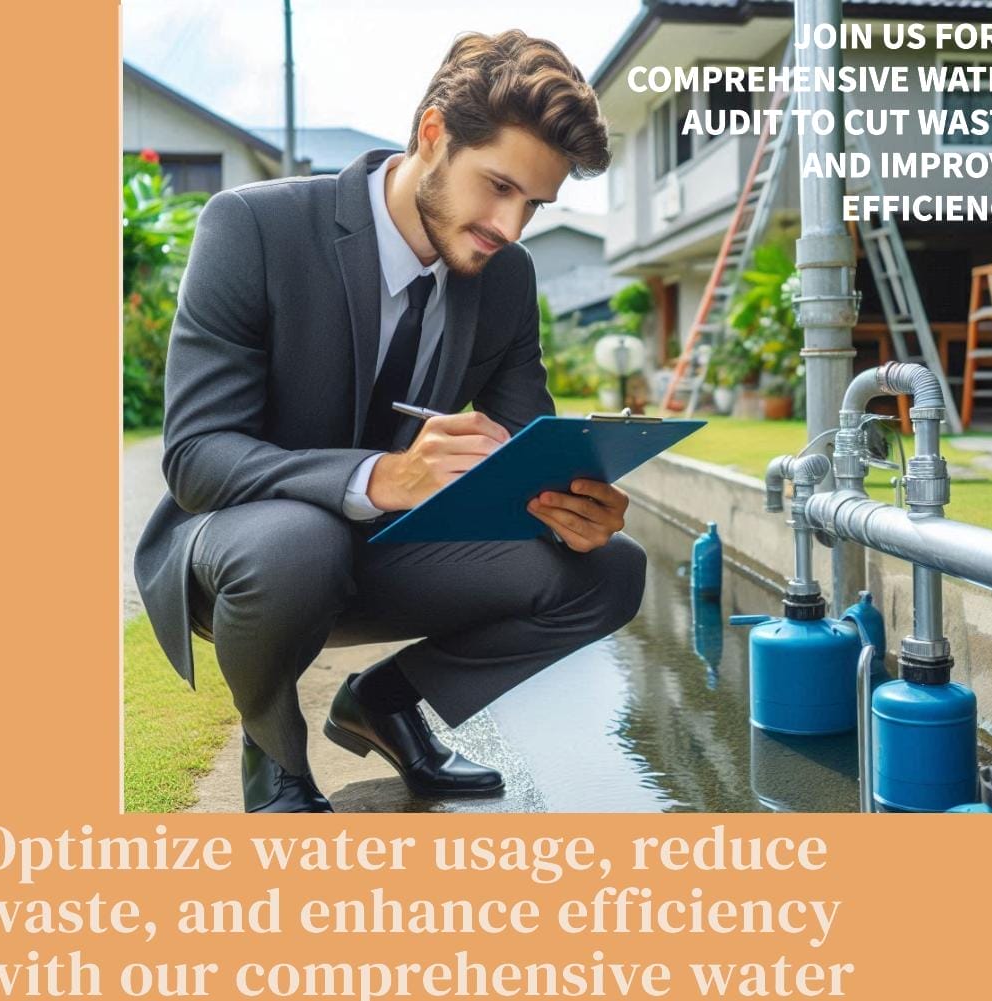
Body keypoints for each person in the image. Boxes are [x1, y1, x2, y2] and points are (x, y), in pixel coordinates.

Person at [134, 29, 647, 813]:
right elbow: (198, 458)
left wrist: (569, 501)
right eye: (499, 186)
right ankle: (274, 753)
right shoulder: (252, 227)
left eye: (535, 205)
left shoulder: (504, 275)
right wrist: (378, 476)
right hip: (242, 553)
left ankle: (385, 703)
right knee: (295, 543)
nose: (511, 227)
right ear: (433, 133)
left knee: (612, 570)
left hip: (386, 554)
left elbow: (527, 446)